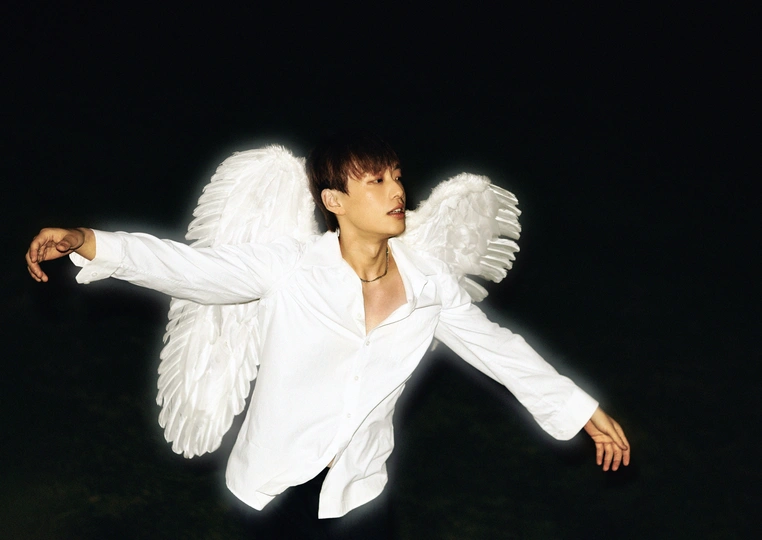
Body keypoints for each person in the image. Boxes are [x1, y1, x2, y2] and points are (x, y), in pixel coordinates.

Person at [26, 132, 630, 539]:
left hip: (359, 495)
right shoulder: (291, 267)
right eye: (376, 182)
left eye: (397, 177)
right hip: (274, 495)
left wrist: (580, 409)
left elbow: (498, 348)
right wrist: (87, 240)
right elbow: (190, 269)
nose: (398, 192)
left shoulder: (428, 284)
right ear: (335, 200)